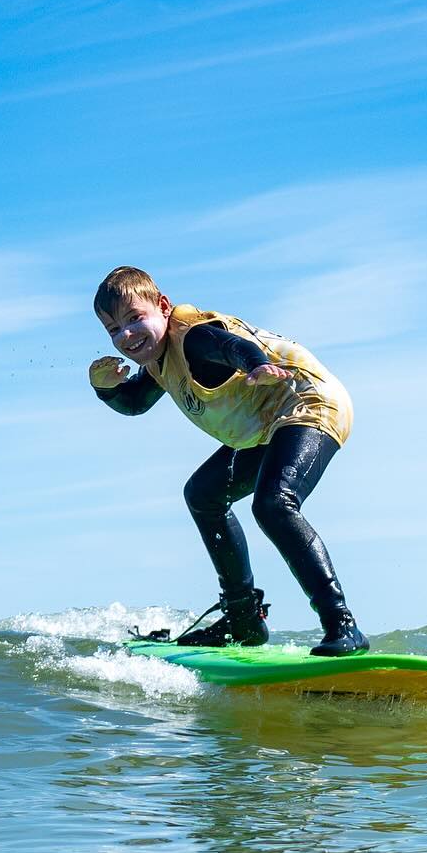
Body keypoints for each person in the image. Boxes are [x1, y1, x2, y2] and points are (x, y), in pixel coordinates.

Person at [89, 265, 368, 656]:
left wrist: (255, 365)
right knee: (203, 494)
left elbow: (228, 347)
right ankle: (243, 621)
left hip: (308, 403)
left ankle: (343, 627)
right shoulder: (160, 359)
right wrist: (105, 388)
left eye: (135, 319)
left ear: (163, 307)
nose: (126, 335)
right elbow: (134, 402)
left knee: (274, 504)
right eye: (113, 329)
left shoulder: (192, 338)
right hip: (265, 426)